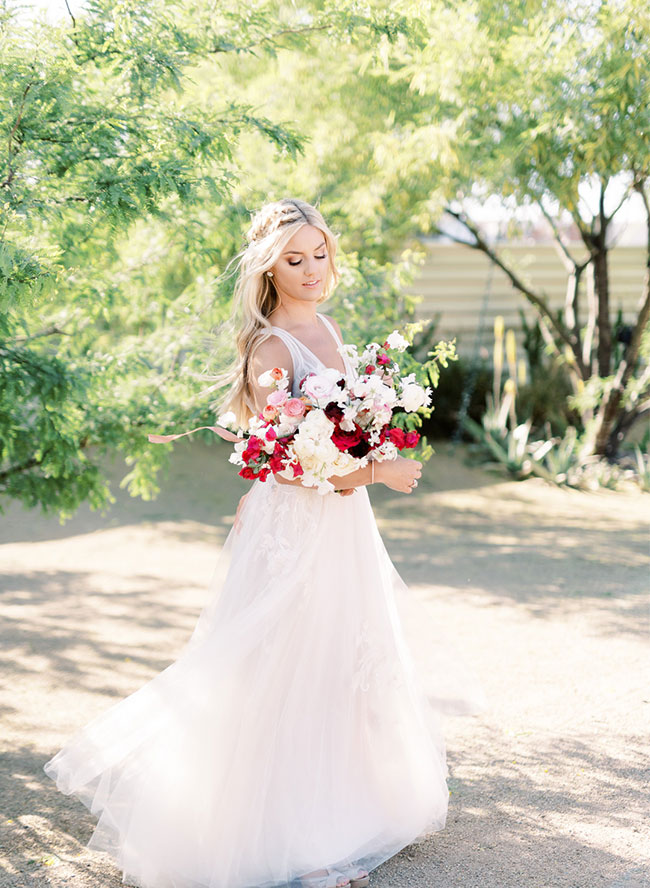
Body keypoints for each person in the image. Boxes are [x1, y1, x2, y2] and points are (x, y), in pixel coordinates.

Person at [43, 198, 487, 888]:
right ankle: (296, 845)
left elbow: (324, 434)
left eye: (320, 254)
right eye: (294, 258)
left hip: (343, 530)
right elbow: (293, 461)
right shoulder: (272, 348)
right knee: (282, 669)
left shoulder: (329, 326)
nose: (312, 270)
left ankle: (338, 814)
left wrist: (377, 430)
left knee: (341, 663)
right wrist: (380, 469)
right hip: (298, 531)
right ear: (268, 268)